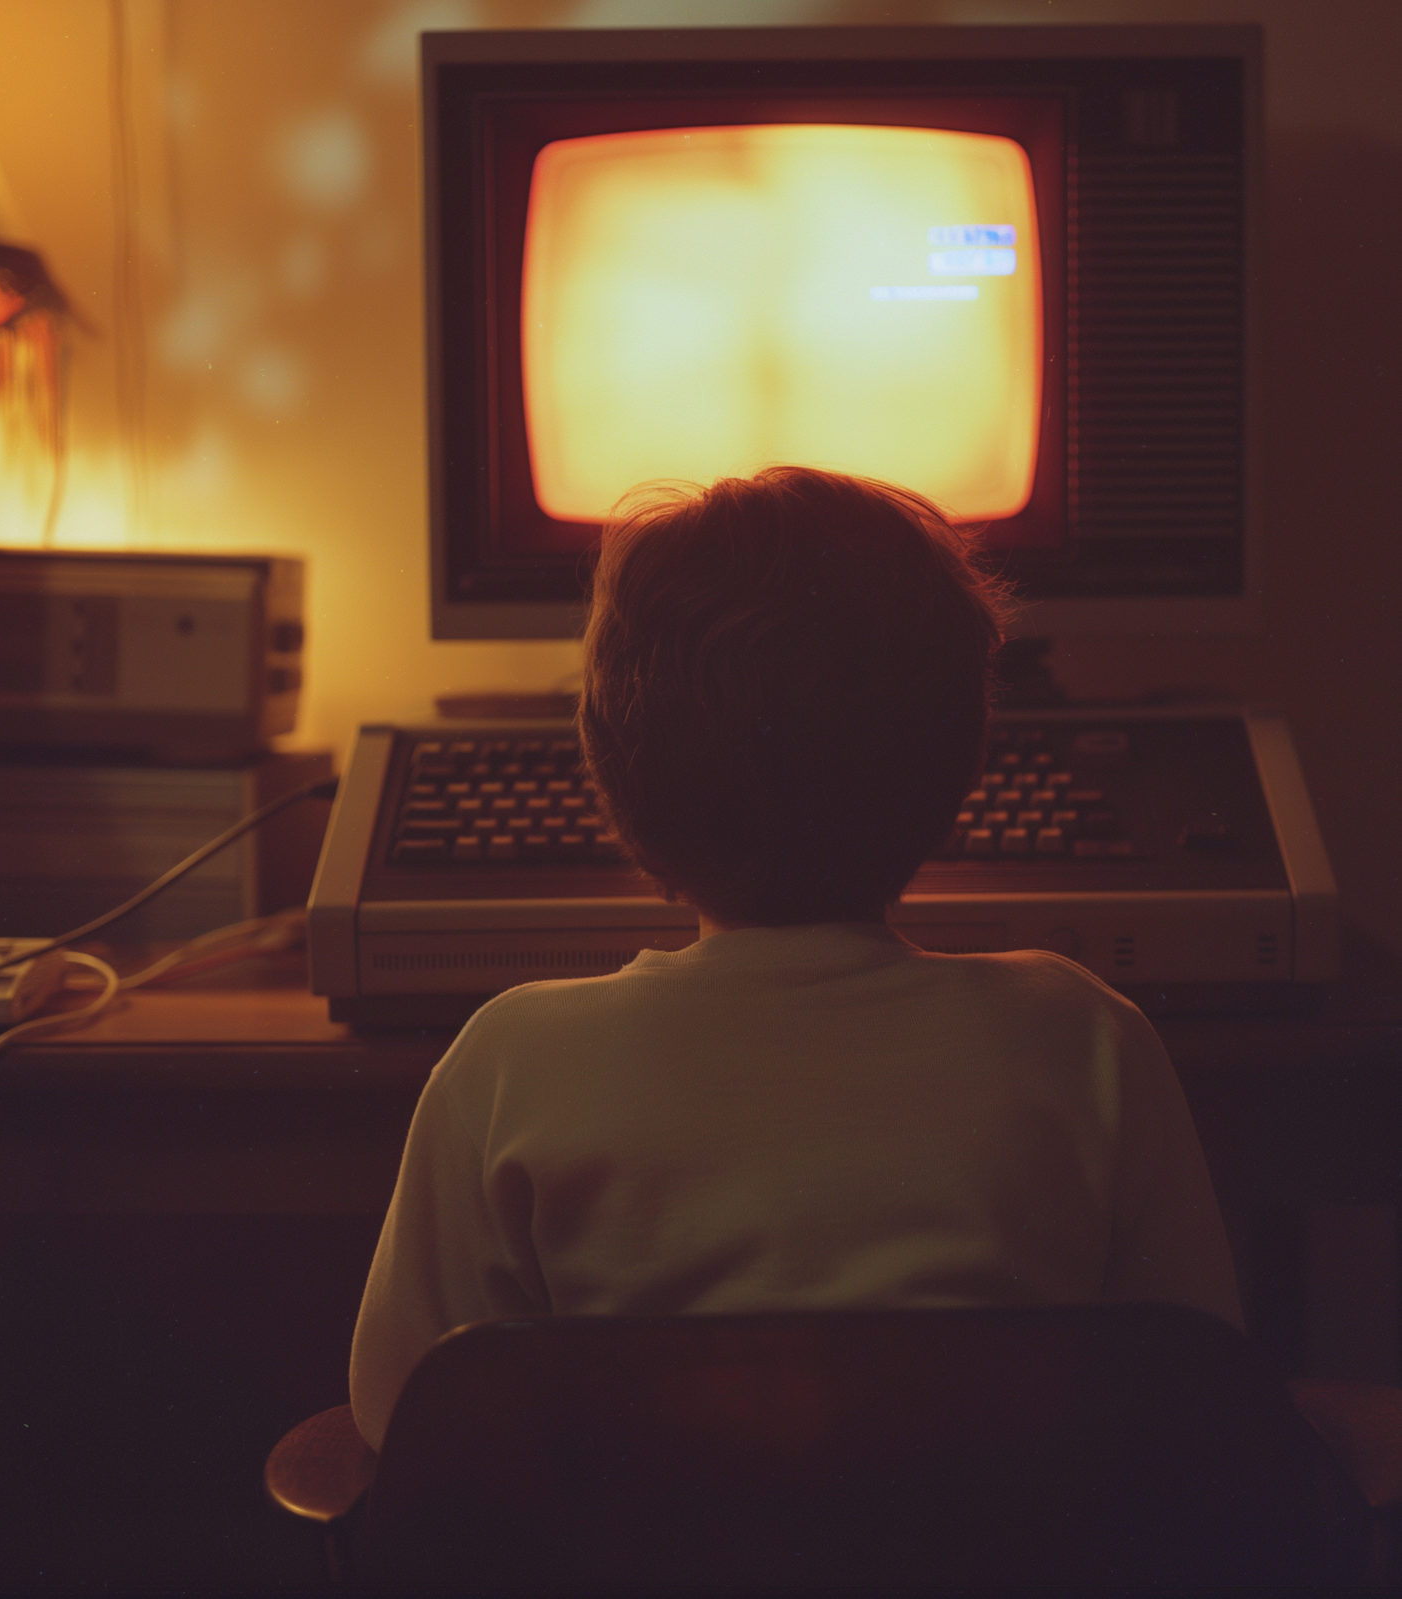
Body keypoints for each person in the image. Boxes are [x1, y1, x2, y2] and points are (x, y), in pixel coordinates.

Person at [349, 467, 1242, 1451]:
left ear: (610, 763)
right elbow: (1194, 1393)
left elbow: (404, 1416)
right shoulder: (1084, 1035)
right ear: (963, 766)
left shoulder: (507, 1062)